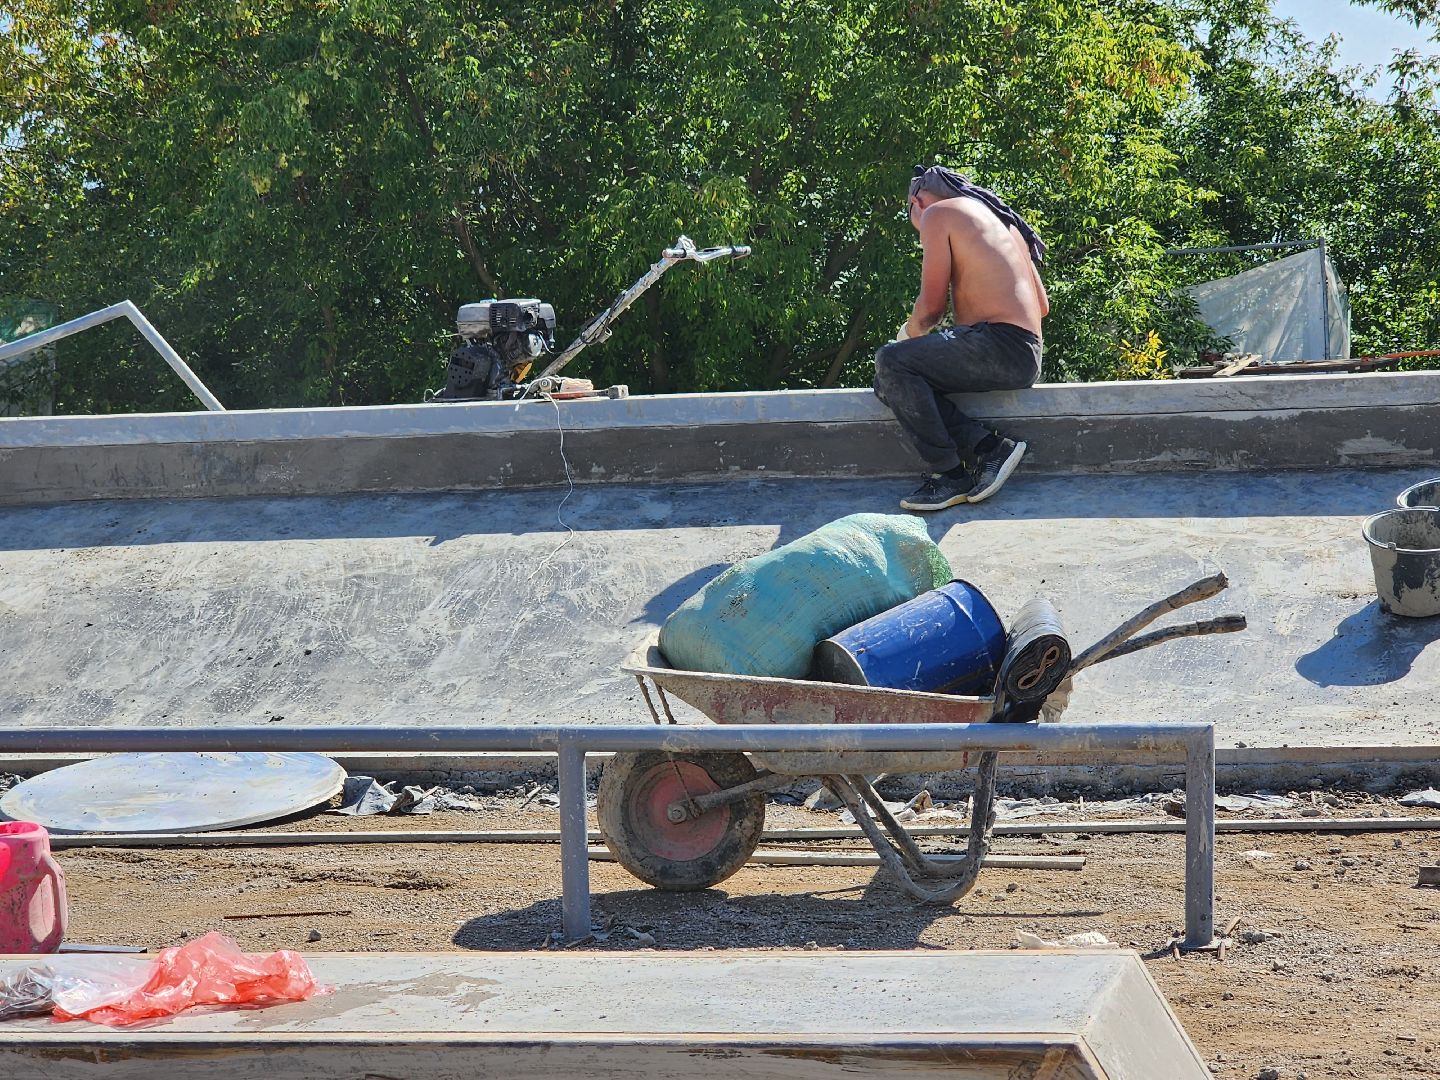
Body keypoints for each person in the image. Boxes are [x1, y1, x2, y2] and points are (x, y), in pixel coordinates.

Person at [873, 165, 1048, 511]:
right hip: (1024, 352)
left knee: (891, 362)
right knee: (887, 384)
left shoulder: (938, 214)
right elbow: (1042, 306)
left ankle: (950, 476)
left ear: (917, 202)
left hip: (997, 344)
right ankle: (988, 448)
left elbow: (930, 310)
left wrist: (905, 338)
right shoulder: (1004, 224)